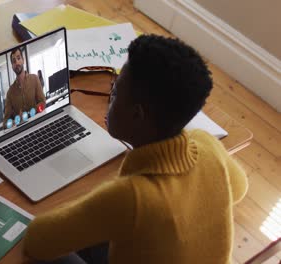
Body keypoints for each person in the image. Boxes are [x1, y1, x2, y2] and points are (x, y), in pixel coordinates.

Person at [23, 34, 248, 264]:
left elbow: (37, 240)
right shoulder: (207, 144)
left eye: (116, 92)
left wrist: (95, 203)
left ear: (136, 114)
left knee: (33, 256)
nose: (111, 98)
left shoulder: (131, 197)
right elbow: (239, 187)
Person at [3, 48, 46, 127]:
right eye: (13, 61)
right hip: (22, 129)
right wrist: (16, 120)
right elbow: (5, 123)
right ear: (12, 66)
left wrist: (28, 114)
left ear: (23, 60)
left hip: (38, 124)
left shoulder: (35, 79)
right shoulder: (10, 92)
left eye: (19, 58)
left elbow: (43, 104)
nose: (17, 62)